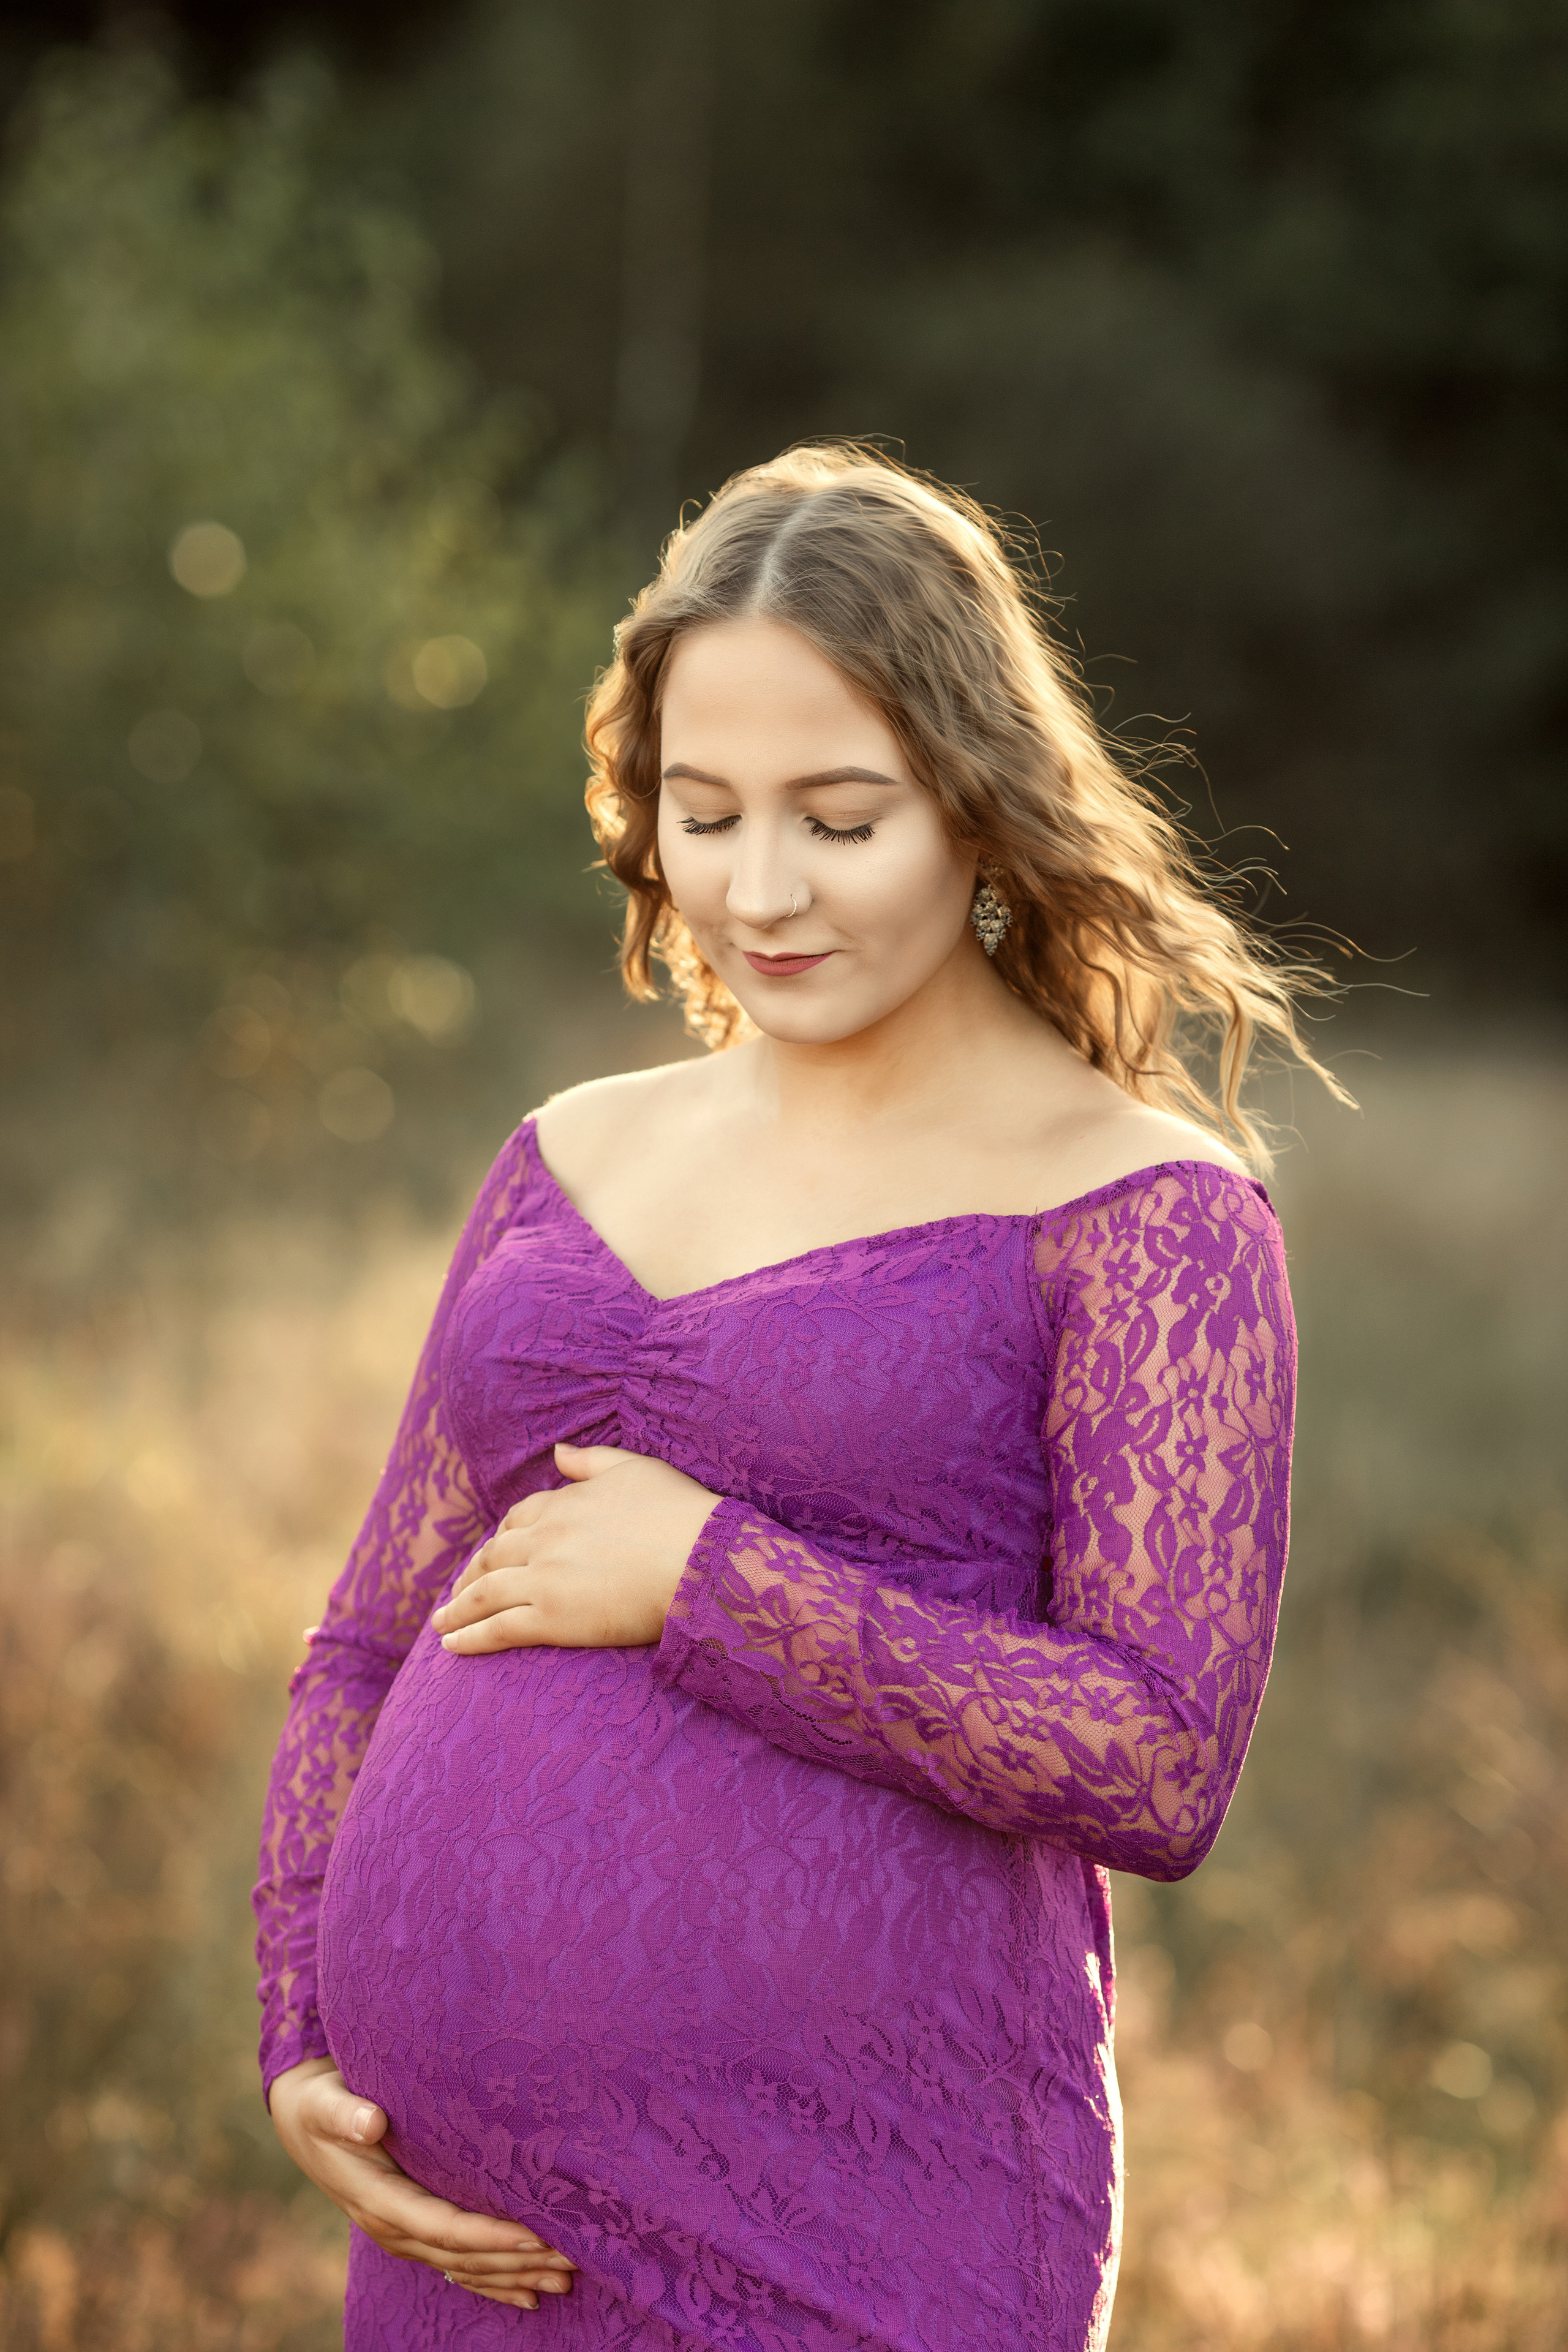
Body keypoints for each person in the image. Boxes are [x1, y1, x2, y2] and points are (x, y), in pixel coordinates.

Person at [254, 444, 1340, 2351]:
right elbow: (364, 1643)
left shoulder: (1148, 1216)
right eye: (705, 812)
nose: (762, 892)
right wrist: (301, 2030)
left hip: (861, 2224)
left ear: (980, 810)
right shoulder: (568, 1153)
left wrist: (708, 1587)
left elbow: (1156, 1760)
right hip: (461, 2243)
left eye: (841, 820)